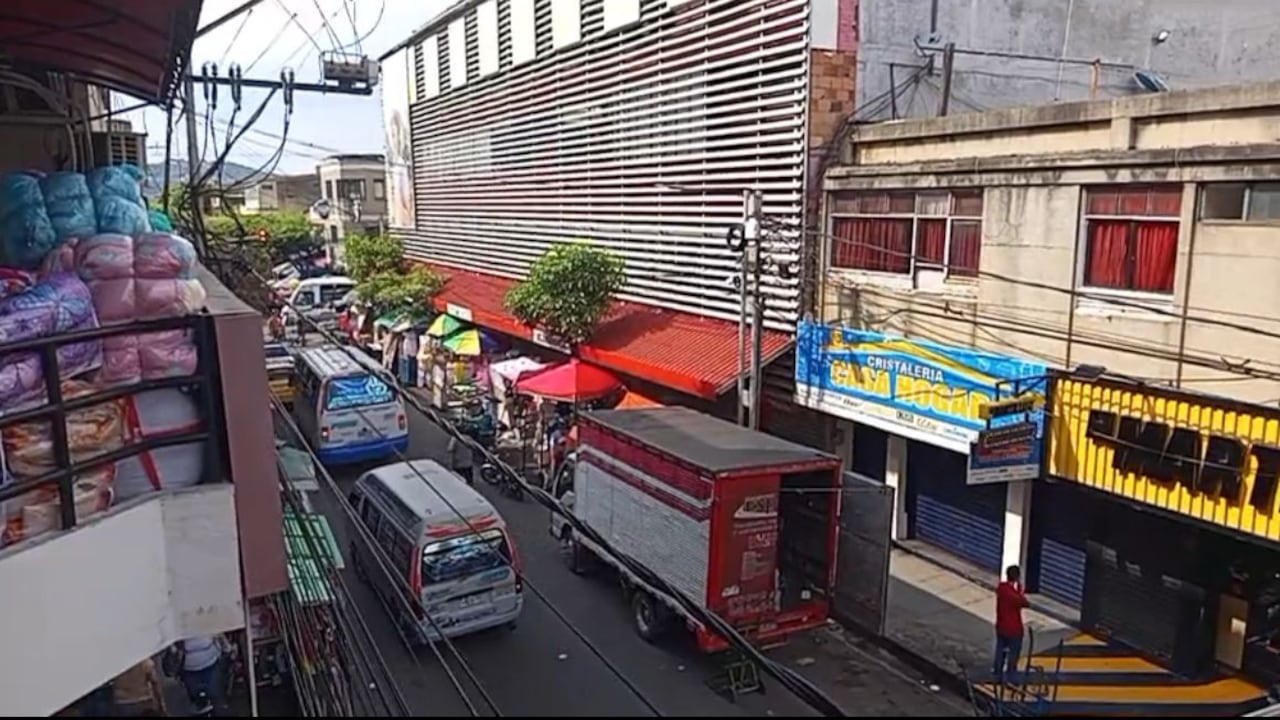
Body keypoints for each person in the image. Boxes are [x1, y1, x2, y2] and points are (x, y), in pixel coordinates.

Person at [994, 565, 1030, 680]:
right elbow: (1025, 603)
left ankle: (997, 673)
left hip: (1001, 626)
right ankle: (1011, 676)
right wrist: (1020, 589)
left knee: (1000, 650)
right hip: (1014, 629)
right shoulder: (1014, 595)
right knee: (1013, 654)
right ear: (1017, 577)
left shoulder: (1002, 589)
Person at [174, 635, 224, 713]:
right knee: (197, 698)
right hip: (190, 671)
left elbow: (219, 635)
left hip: (210, 666)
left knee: (215, 697)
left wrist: (227, 647)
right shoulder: (180, 631)